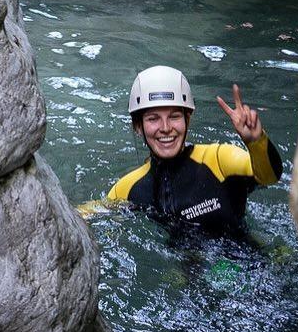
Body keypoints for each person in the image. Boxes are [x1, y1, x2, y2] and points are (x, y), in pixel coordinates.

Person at [93, 65, 283, 233]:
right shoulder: (128, 188)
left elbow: (269, 176)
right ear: (138, 126)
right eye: (153, 118)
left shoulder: (218, 160)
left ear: (188, 119)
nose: (166, 127)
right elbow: (87, 215)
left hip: (246, 264)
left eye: (174, 116)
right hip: (185, 269)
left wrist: (256, 142)